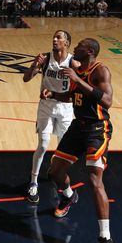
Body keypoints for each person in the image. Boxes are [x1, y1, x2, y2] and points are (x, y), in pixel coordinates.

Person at [43, 38, 116, 243]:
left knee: (95, 180)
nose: (76, 48)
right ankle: (68, 195)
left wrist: (77, 80)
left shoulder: (100, 70)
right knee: (54, 171)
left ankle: (106, 241)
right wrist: (54, 95)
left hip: (97, 129)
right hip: (78, 127)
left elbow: (107, 101)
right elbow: (74, 97)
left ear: (90, 51)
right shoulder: (76, 70)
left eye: (81, 45)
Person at [22, 30, 74, 203]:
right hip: (46, 108)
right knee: (43, 145)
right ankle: (33, 182)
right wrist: (34, 65)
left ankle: (56, 172)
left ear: (66, 43)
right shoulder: (45, 58)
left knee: (63, 150)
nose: (54, 39)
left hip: (66, 109)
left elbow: (78, 90)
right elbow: (26, 78)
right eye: (54, 36)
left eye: (59, 37)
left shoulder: (73, 62)